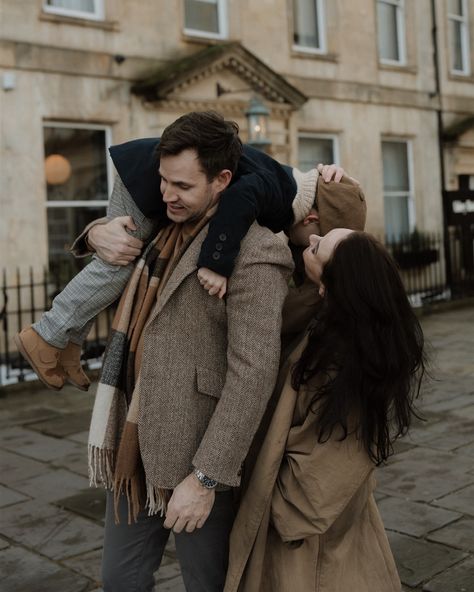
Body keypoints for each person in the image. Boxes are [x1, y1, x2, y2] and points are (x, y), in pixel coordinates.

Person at [83, 114, 361, 592]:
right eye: (163, 180)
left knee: (210, 584)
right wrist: (93, 232)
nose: (166, 192)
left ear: (222, 181)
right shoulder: (160, 222)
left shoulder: (256, 251)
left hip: (199, 449)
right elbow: (113, 254)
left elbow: (252, 374)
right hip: (131, 437)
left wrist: (206, 478)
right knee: (120, 580)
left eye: (182, 184)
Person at [15, 111, 349, 392]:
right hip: (140, 180)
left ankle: (70, 345)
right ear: (312, 217)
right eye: (314, 238)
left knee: (117, 260)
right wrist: (216, 263)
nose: (309, 245)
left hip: (144, 172)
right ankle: (47, 333)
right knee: (119, 259)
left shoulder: (288, 183)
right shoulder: (278, 194)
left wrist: (338, 177)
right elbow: (238, 200)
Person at [224, 230, 426, 592]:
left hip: (306, 538)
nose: (312, 238)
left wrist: (278, 507)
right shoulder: (337, 322)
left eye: (318, 246)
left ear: (336, 282)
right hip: (309, 523)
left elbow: (333, 464)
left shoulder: (345, 359)